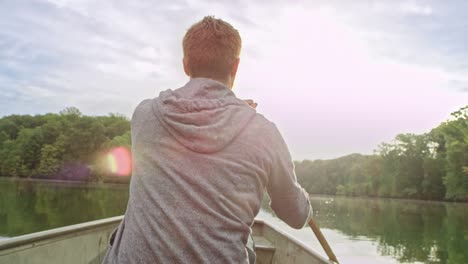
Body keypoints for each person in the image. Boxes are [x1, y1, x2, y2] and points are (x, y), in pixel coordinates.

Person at [102, 16, 312, 264]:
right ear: (235, 67)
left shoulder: (144, 116)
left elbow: (197, 122)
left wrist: (232, 111)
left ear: (185, 65)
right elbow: (296, 216)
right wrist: (306, 205)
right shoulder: (263, 132)